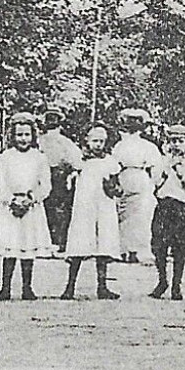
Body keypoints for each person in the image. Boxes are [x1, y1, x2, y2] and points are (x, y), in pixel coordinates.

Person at [0, 114, 54, 301]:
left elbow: (46, 185)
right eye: (19, 135)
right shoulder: (3, 158)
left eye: (27, 134)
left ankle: (27, 287)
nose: (23, 139)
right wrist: (11, 200)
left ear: (33, 135)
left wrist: (31, 199)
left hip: (31, 207)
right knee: (10, 246)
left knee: (27, 247)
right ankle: (5, 288)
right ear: (12, 136)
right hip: (10, 208)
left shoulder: (39, 158)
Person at [62, 124, 124, 300]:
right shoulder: (80, 161)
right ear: (86, 140)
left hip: (104, 206)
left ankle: (102, 286)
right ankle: (70, 287)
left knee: (103, 244)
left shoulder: (110, 162)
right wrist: (71, 178)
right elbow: (70, 178)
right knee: (79, 243)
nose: (98, 144)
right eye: (95, 140)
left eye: (102, 141)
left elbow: (117, 183)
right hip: (85, 207)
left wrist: (114, 187)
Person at [149, 124, 185, 301]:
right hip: (164, 205)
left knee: (179, 247)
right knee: (158, 244)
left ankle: (176, 285)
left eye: (180, 141)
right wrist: (166, 169)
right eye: (172, 141)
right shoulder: (163, 161)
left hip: (182, 207)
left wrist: (179, 171)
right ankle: (162, 280)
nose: (176, 145)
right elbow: (155, 183)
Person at [111, 108, 163, 264]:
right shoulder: (120, 145)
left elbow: (156, 168)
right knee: (124, 216)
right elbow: (114, 165)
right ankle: (124, 250)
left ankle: (135, 250)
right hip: (125, 178)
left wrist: (153, 184)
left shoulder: (148, 146)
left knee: (139, 217)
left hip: (139, 179)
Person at [38, 109, 82, 250]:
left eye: (54, 120)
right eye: (49, 119)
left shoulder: (65, 142)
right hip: (41, 176)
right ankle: (45, 241)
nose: (52, 123)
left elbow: (77, 161)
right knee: (43, 207)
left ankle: (59, 241)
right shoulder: (39, 141)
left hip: (59, 177)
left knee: (60, 210)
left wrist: (70, 173)